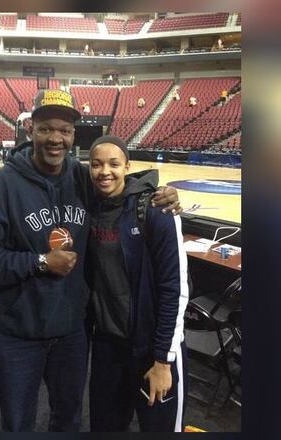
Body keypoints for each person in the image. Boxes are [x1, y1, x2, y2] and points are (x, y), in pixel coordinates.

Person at [0, 89, 181, 432]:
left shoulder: (80, 177)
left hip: (72, 334)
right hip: (18, 334)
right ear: (30, 129)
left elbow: (117, 183)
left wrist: (160, 192)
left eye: (64, 131)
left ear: (72, 135)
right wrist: (38, 263)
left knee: (68, 420)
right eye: (46, 128)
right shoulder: (3, 187)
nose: (56, 138)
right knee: (17, 423)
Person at [85, 135, 189, 432]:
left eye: (114, 164)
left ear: (127, 166)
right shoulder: (90, 209)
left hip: (151, 351)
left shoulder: (156, 209)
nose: (105, 171)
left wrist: (163, 361)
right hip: (108, 347)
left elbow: (175, 289)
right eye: (97, 164)